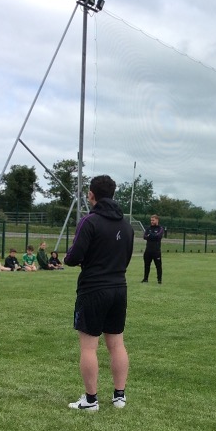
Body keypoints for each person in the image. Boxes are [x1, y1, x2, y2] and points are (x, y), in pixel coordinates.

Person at [64, 175, 134, 411]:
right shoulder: (127, 226)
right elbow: (126, 257)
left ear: (91, 195)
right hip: (119, 288)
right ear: (113, 194)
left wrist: (69, 258)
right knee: (117, 343)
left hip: (93, 289)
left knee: (89, 347)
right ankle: (119, 396)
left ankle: (91, 400)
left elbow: (74, 256)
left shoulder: (89, 221)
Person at [142, 214, 164, 284]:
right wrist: (152, 236)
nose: (152, 221)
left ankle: (159, 280)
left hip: (156, 251)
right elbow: (144, 237)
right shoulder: (148, 228)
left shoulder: (160, 228)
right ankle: (145, 279)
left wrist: (150, 235)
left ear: (157, 220)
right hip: (148, 251)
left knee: (158, 266)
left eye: (153, 220)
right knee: (146, 265)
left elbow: (158, 236)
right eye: (151, 220)